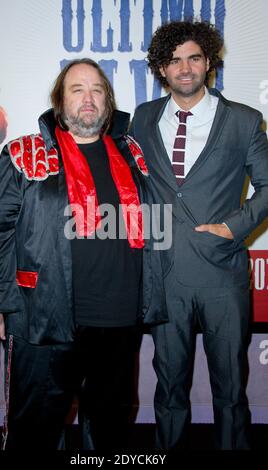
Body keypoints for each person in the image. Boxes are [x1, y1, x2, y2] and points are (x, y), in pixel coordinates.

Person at [0, 58, 164, 450]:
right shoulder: (24, 154)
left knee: (110, 430)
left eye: (97, 89)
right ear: (60, 101)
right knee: (36, 432)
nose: (88, 98)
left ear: (108, 103)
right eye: (77, 89)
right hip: (44, 321)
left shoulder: (132, 153)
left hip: (118, 321)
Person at [130, 21, 268, 450]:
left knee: (231, 391)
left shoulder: (245, 120)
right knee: (168, 391)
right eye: (174, 60)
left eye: (193, 58)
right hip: (164, 274)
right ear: (161, 69)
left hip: (221, 274)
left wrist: (235, 226)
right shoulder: (143, 117)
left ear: (209, 62)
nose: (185, 68)